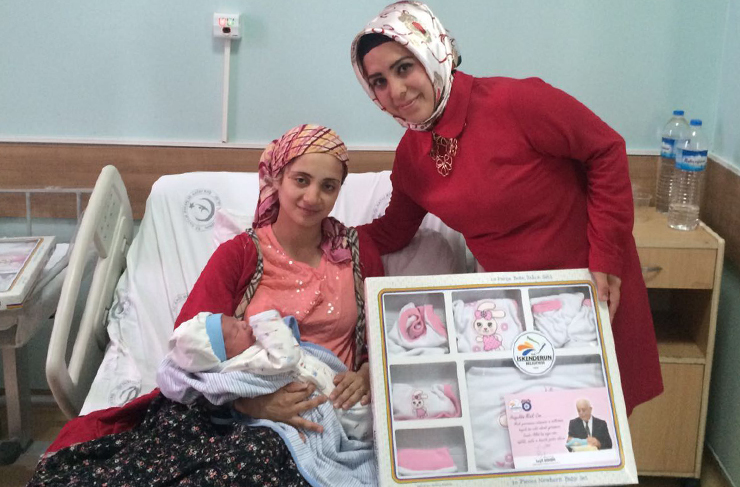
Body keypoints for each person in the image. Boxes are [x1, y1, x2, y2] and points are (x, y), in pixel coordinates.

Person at [350, 1, 662, 415]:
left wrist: (607, 255)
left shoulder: (514, 102)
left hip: (589, 284)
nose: (396, 91)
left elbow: (605, 150)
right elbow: (394, 230)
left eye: (404, 68)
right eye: (379, 82)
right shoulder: (412, 155)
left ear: (433, 52)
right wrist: (322, 237)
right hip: (513, 308)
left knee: (595, 428)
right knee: (534, 428)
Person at [27, 124, 384, 487]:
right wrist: (250, 404)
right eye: (301, 180)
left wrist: (367, 375)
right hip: (240, 412)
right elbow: (188, 349)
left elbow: (383, 342)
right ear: (277, 178)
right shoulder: (240, 255)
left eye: (328, 186)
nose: (313, 197)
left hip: (327, 415)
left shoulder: (357, 253)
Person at [158, 309, 373, 441]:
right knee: (365, 420)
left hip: (335, 387)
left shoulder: (246, 350)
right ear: (223, 357)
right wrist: (268, 322)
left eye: (236, 319)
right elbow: (286, 358)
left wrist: (366, 369)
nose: (243, 323)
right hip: (329, 405)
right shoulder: (245, 362)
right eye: (235, 331)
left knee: (366, 412)